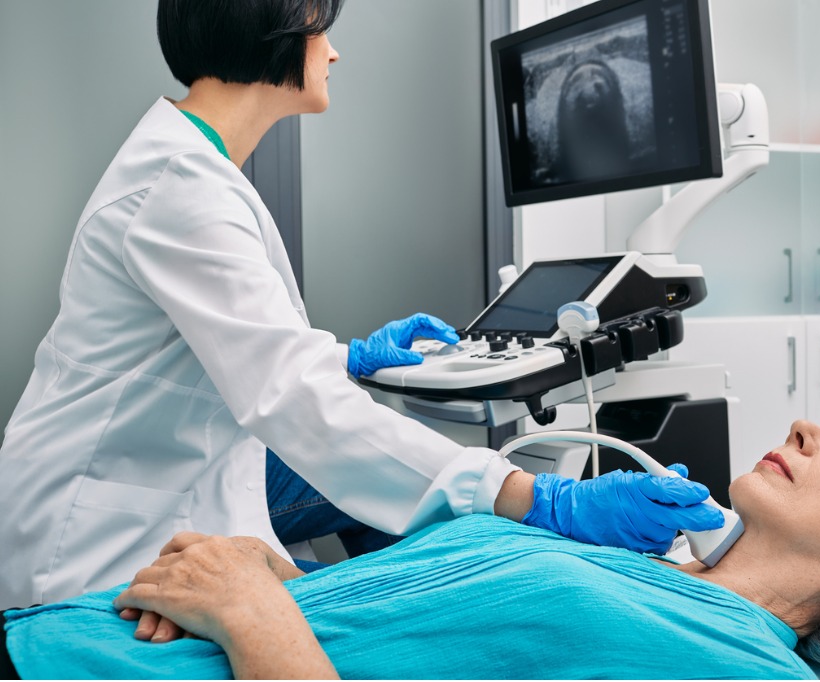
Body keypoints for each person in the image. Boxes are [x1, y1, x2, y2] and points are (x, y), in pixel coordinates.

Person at [0, 0, 723, 611]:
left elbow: (230, 345)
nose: (334, 52)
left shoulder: (190, 165)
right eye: (323, 28)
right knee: (430, 528)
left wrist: (346, 357)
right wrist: (542, 498)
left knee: (413, 502)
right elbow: (289, 394)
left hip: (166, 463)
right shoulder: (182, 191)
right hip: (94, 528)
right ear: (277, 25)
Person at [2, 406, 820, 679]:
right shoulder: (656, 580)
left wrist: (257, 615)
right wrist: (265, 574)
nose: (808, 427)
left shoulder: (732, 667)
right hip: (75, 636)